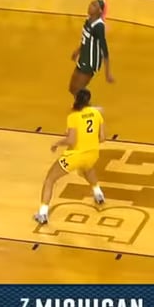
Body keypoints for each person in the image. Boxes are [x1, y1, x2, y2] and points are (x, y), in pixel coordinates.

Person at [34, 88, 106, 225]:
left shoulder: (73, 117)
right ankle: (98, 193)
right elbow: (102, 138)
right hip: (92, 153)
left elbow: (71, 141)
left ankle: (42, 214)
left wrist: (57, 143)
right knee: (87, 169)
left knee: (50, 179)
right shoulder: (96, 114)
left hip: (75, 156)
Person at [68, 0, 114, 96]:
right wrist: (78, 51)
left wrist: (107, 73)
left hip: (90, 62)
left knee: (78, 91)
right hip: (83, 58)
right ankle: (86, 107)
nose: (90, 6)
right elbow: (86, 39)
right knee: (72, 88)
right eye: (91, 4)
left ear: (100, 11)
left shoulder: (98, 26)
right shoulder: (88, 20)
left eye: (94, 5)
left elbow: (104, 49)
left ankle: (88, 108)